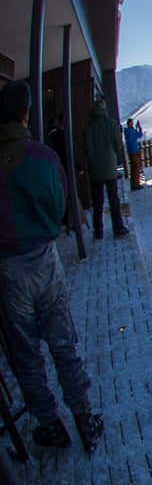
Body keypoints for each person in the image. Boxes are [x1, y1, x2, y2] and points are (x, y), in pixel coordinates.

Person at [0, 80, 104, 452]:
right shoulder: (42, 156)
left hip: (7, 270)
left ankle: (50, 425)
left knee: (26, 353)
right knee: (63, 342)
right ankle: (84, 418)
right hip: (44, 259)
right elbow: (61, 206)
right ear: (26, 113)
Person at [82, 99, 128, 240]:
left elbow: (85, 149)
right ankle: (118, 228)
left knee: (97, 202)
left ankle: (98, 231)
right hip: (109, 168)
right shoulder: (111, 124)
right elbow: (117, 144)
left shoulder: (89, 128)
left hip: (95, 170)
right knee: (113, 199)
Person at [123, 118, 144, 191]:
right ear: (129, 123)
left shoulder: (128, 131)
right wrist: (139, 128)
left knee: (133, 167)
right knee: (136, 167)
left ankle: (134, 183)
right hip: (134, 150)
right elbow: (139, 135)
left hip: (131, 150)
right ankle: (136, 184)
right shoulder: (130, 131)